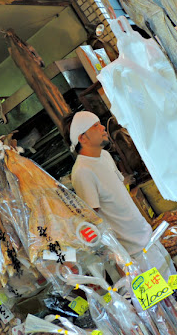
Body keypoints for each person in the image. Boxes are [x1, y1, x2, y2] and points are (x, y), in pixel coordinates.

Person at [68, 111, 171, 274]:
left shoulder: (105, 155)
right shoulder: (82, 172)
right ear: (83, 138)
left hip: (147, 236)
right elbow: (93, 221)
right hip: (134, 254)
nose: (103, 127)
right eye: (96, 125)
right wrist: (119, 259)